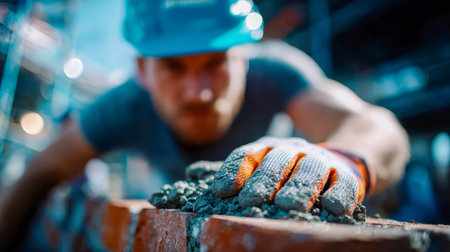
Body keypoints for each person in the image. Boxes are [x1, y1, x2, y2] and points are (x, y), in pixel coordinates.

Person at [0, 0, 409, 249]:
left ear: (243, 56)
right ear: (142, 69)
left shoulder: (278, 73)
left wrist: (337, 157)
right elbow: (40, 172)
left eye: (215, 64)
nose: (198, 92)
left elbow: (378, 126)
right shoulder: (124, 104)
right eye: (175, 68)